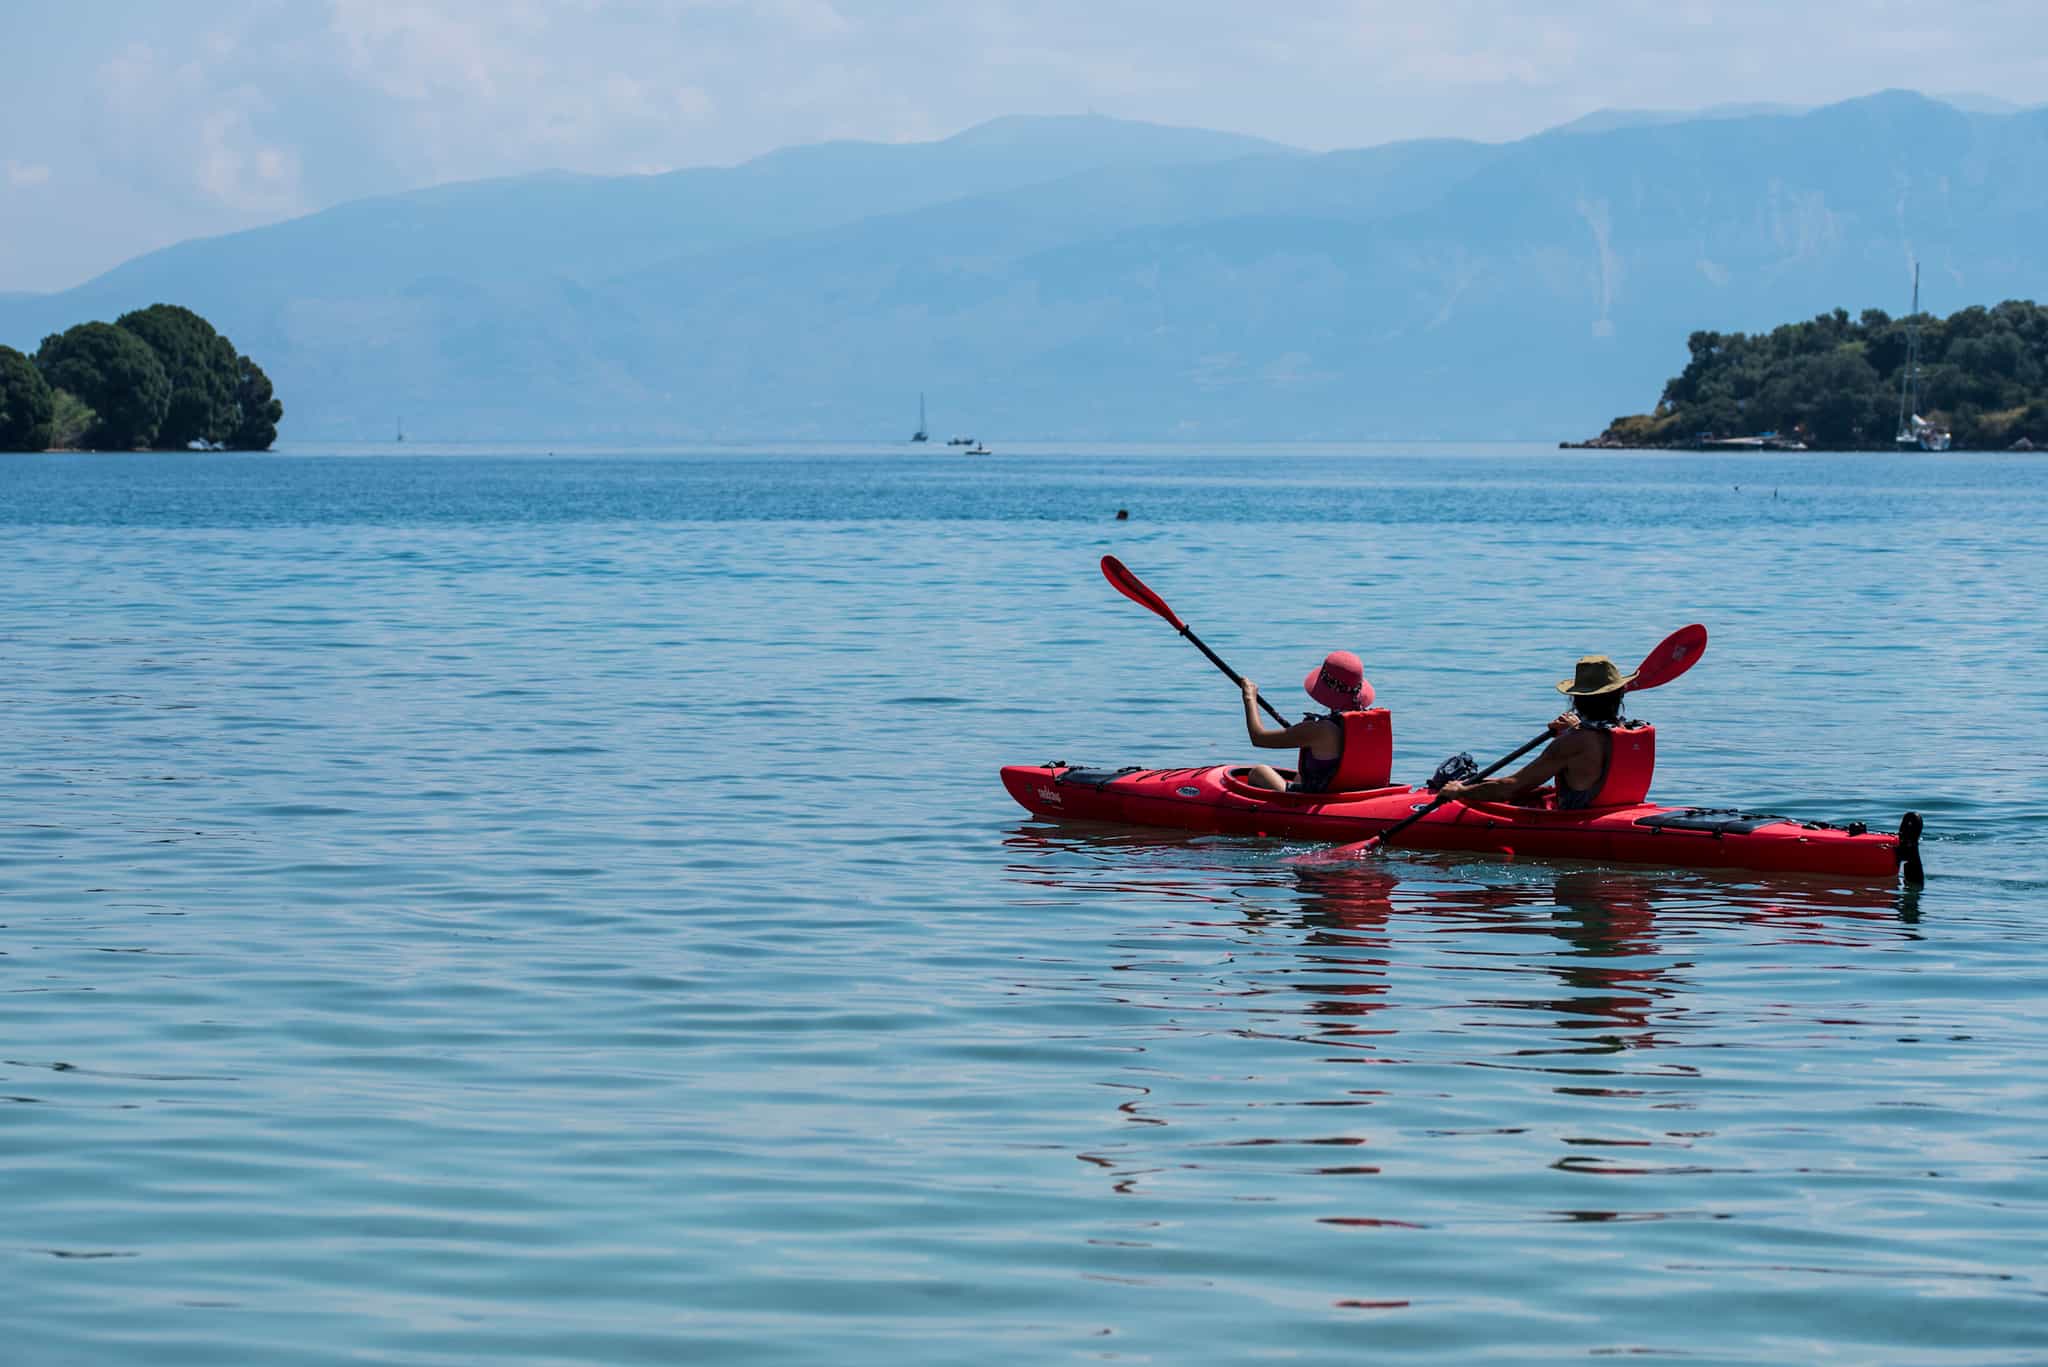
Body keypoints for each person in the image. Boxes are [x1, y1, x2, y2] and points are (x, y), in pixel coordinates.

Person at [1437, 655, 1638, 809]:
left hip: (1577, 821)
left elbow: (1510, 787)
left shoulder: (1573, 743)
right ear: (1620, 695)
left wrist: (1460, 791)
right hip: (1612, 811)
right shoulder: (1628, 732)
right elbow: (1594, 744)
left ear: (1576, 700)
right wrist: (1574, 728)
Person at [1237, 650, 1374, 792]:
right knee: (1299, 776)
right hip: (1349, 791)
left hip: (1320, 799)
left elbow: (1258, 738)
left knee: (1259, 772)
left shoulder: (1319, 730)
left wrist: (1249, 698)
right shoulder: (1367, 725)